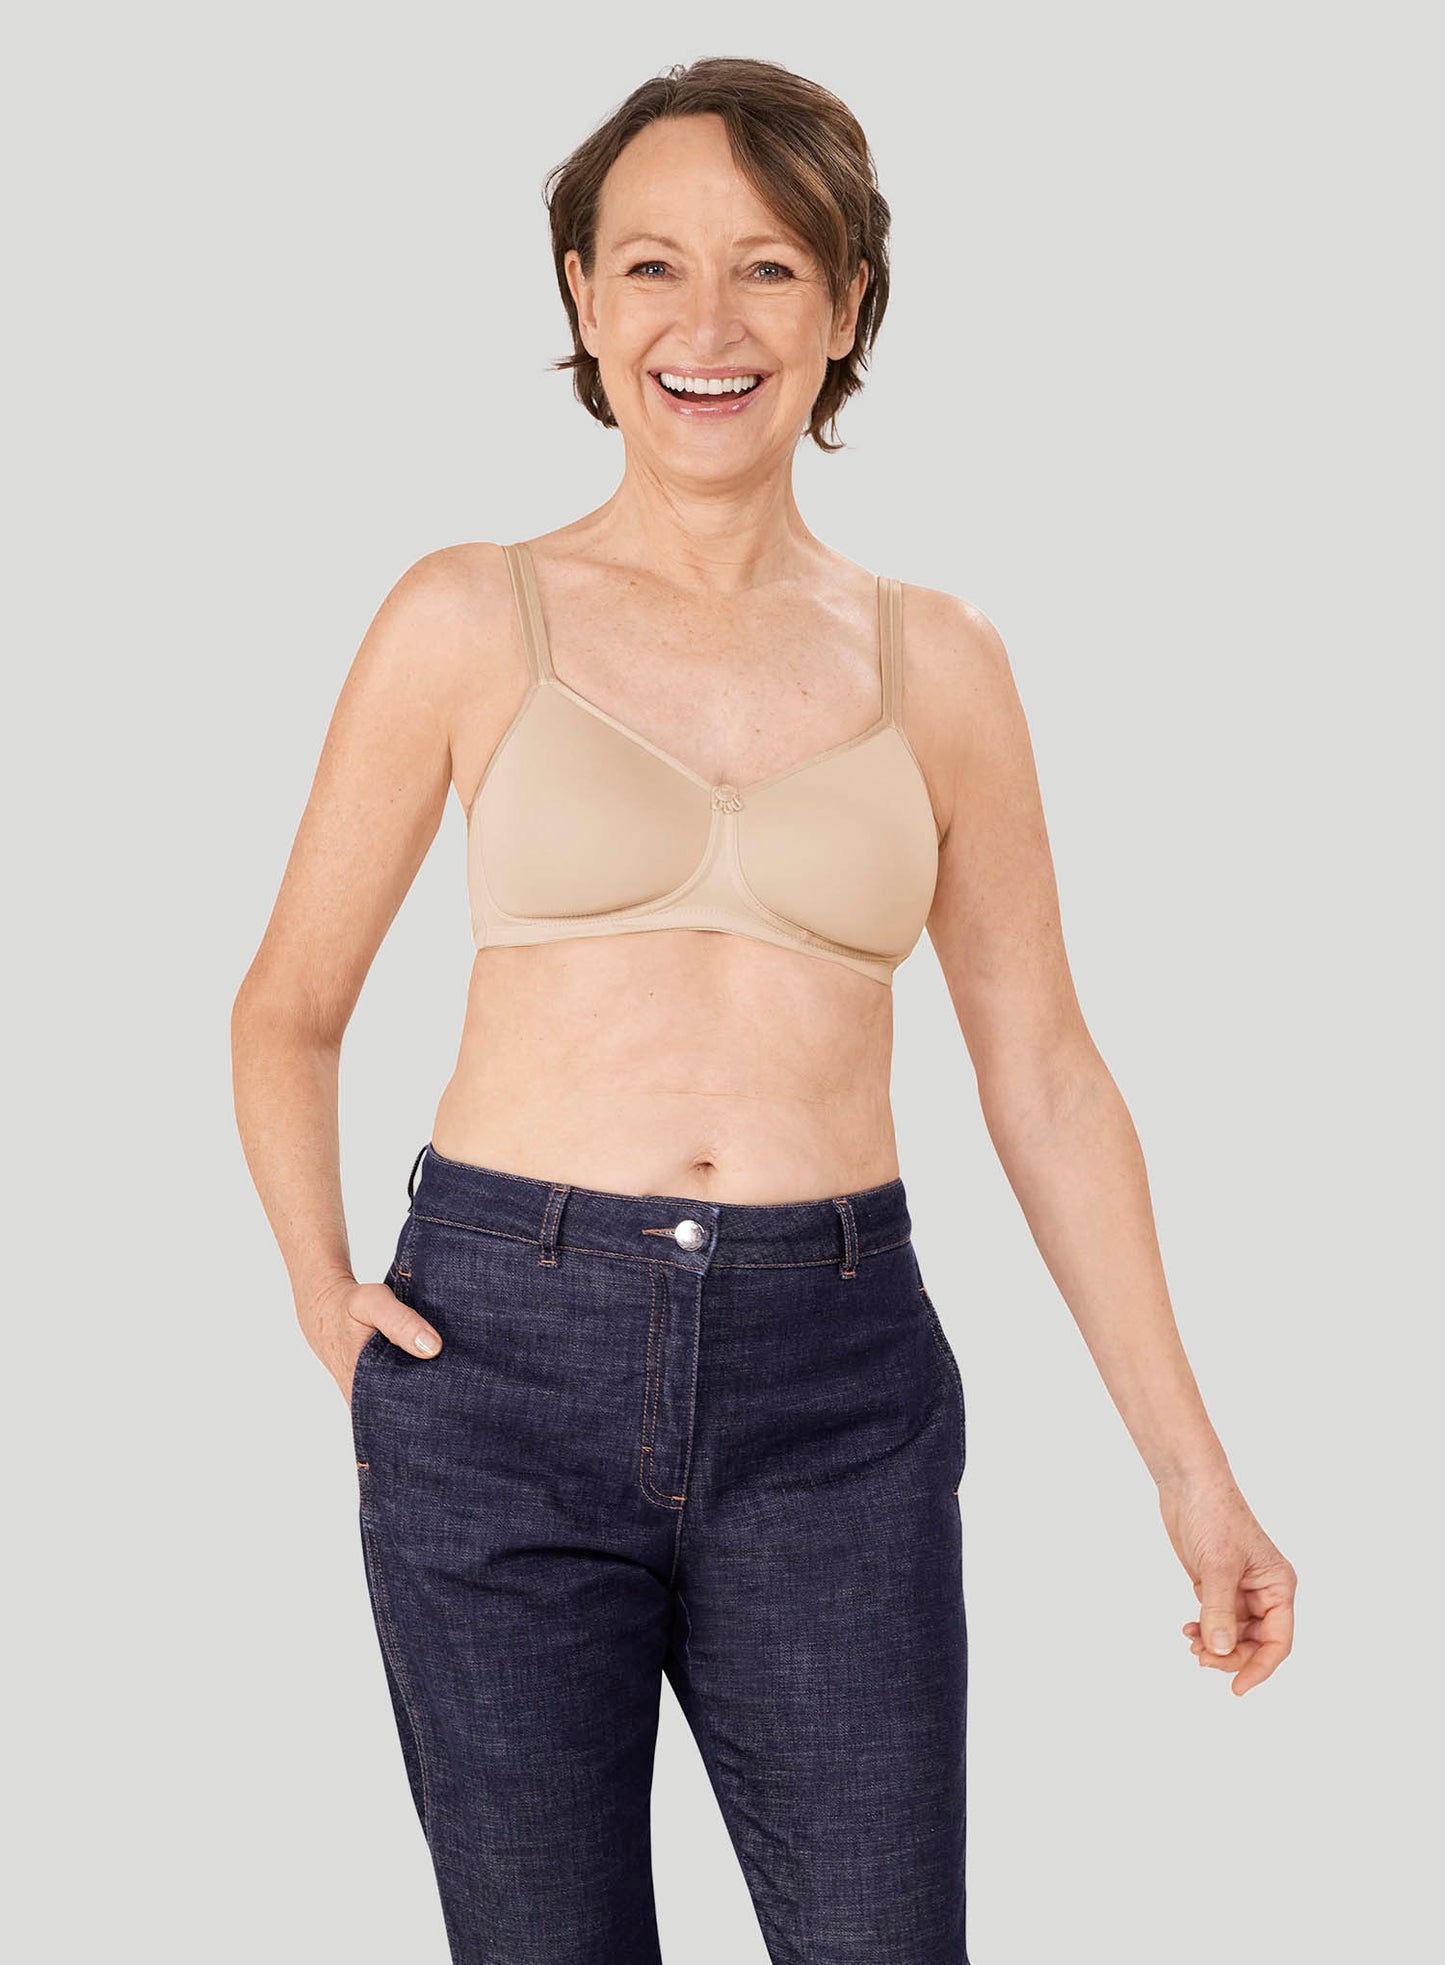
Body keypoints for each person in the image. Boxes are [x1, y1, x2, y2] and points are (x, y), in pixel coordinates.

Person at [231, 55, 1296, 1965]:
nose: (705, 324)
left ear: (847, 305)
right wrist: (326, 1293)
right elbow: (287, 1004)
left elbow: (1045, 1075)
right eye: (650, 266)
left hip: (836, 1383)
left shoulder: (938, 660)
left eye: (770, 268)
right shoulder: (464, 616)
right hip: (501, 1359)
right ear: (581, 299)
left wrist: (1192, 1473)